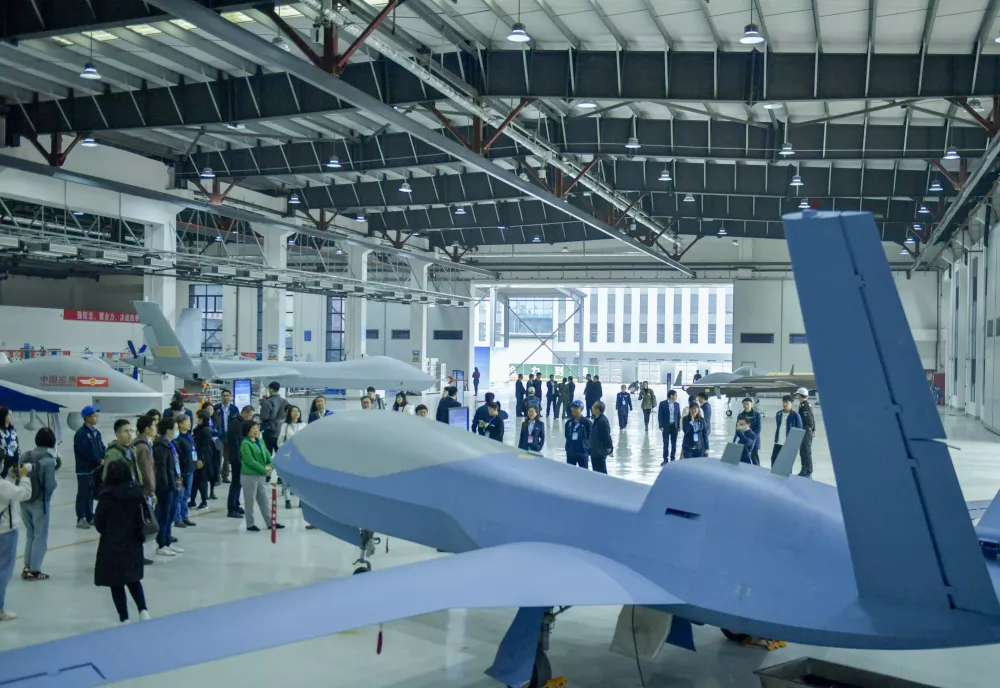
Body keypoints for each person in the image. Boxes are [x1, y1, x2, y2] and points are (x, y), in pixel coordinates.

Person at [94, 459, 150, 624]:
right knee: (134, 579)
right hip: (133, 541)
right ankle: (143, 610)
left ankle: (124, 617)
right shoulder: (137, 492)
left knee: (116, 582)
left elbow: (99, 522)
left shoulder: (106, 496)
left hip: (111, 543)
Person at [19, 427, 57, 581]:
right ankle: (35, 570)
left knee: (30, 534)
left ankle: (27, 566)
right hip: (40, 502)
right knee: (40, 536)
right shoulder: (48, 461)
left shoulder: (25, 456)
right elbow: (49, 485)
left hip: (24, 499)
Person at [0, 462, 31, 620]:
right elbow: (24, 494)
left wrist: (11, 478)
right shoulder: (3, 485)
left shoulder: (5, 484)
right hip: (5, 531)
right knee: (4, 570)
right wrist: (24, 477)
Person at [240, 421, 283, 532]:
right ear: (247, 430)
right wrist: (264, 470)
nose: (256, 431)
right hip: (249, 476)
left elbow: (268, 455)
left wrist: (271, 465)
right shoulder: (245, 443)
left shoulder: (260, 441)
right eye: (253, 428)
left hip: (261, 475)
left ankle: (270, 522)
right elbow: (249, 461)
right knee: (250, 501)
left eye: (257, 428)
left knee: (264, 500)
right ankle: (250, 524)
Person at [152, 418, 181, 557]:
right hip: (166, 487)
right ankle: (161, 544)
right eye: (175, 428)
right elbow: (161, 469)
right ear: (169, 430)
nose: (177, 431)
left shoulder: (170, 444)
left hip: (175, 484)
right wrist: (165, 486)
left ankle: (168, 541)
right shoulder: (160, 447)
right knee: (163, 516)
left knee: (170, 516)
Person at [74, 405, 105, 529]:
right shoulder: (81, 434)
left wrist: (104, 457)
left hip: (95, 469)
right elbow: (86, 451)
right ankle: (81, 518)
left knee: (91, 493)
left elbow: (101, 448)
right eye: (94, 415)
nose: (96, 418)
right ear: (87, 417)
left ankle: (89, 516)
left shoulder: (96, 433)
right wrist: (98, 460)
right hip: (84, 470)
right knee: (83, 493)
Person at [226, 406, 254, 519]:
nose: (251, 418)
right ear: (246, 413)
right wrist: (238, 459)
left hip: (241, 457)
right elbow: (234, 443)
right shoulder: (235, 423)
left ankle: (236, 505)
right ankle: (231, 508)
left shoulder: (240, 423)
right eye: (251, 415)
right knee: (236, 483)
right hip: (237, 458)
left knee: (239, 483)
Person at [277, 405, 305, 509]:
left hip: (300, 456)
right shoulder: (285, 425)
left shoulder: (303, 425)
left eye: (298, 411)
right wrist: (284, 450)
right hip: (288, 455)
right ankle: (287, 500)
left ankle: (301, 500)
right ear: (289, 413)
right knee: (287, 478)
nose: (296, 413)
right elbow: (280, 441)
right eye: (293, 411)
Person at [173, 414, 196, 529]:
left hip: (190, 469)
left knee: (186, 495)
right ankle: (178, 519)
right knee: (179, 495)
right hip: (182, 471)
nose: (189, 424)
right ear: (180, 424)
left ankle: (185, 516)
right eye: (187, 422)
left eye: (189, 422)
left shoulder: (189, 436)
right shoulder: (177, 440)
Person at [192, 411, 217, 509]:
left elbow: (204, 446)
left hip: (203, 457)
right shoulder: (198, 429)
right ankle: (193, 500)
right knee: (195, 480)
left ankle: (203, 501)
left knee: (202, 479)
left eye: (198, 418)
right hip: (197, 456)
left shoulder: (206, 430)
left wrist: (201, 459)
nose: (196, 420)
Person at [102, 419, 139, 484]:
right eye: (126, 431)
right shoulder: (113, 454)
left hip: (133, 490)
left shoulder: (132, 450)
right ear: (117, 434)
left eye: (131, 430)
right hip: (121, 492)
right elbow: (106, 478)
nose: (129, 434)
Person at [214, 390, 239, 484]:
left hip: (229, 436)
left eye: (227, 395)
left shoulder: (234, 409)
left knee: (227, 457)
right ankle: (217, 477)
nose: (226, 397)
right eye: (224, 395)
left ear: (230, 397)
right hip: (219, 436)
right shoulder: (216, 408)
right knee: (218, 457)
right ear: (221, 396)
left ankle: (225, 476)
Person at [772, 395, 804, 467]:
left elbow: (799, 430)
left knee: (787, 465)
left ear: (791, 403)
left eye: (787, 402)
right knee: (774, 460)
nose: (784, 404)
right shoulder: (779, 413)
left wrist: (794, 443)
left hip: (789, 444)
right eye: (783, 402)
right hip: (778, 442)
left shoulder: (795, 415)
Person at [259, 381, 287, 454]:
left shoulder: (267, 402)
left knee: (267, 456)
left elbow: (263, 417)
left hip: (269, 432)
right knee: (281, 456)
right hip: (281, 431)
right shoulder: (285, 402)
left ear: (270, 389)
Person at [564, 401, 592, 468]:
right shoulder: (568, 423)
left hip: (582, 452)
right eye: (573, 408)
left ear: (581, 409)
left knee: (584, 474)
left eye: (576, 408)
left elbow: (590, 437)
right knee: (570, 473)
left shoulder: (587, 423)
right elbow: (567, 435)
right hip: (571, 452)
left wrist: (587, 449)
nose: (574, 409)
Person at [735, 398, 762, 466]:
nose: (745, 406)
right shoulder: (740, 415)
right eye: (744, 404)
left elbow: (758, 429)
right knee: (743, 459)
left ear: (751, 404)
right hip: (743, 440)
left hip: (753, 441)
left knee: (754, 458)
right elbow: (737, 427)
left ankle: (757, 473)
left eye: (747, 404)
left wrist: (751, 438)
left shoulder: (757, 414)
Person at [795, 388, 815, 478]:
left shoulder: (804, 405)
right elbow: (812, 417)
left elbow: (809, 419)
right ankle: (804, 470)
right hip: (807, 430)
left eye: (797, 395)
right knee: (803, 451)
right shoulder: (806, 404)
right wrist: (814, 429)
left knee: (805, 451)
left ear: (800, 395)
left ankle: (807, 470)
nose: (797, 396)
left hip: (806, 431)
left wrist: (810, 428)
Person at [657, 390, 681, 465]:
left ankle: (673, 459)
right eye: (675, 395)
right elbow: (660, 415)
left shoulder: (677, 404)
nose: (676, 397)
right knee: (665, 443)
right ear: (671, 396)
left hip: (674, 426)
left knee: (674, 443)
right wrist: (660, 425)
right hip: (666, 426)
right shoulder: (662, 404)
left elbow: (678, 416)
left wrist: (679, 426)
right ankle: (665, 460)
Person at [590, 401, 614, 474]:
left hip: (599, 452)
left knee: (601, 473)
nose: (592, 408)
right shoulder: (597, 419)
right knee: (596, 473)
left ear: (597, 409)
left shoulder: (602, 421)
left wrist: (610, 448)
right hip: (595, 452)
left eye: (593, 406)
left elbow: (606, 436)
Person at [0, 407, 20, 479]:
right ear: (3, 415)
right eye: (9, 414)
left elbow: (16, 443)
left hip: (13, 458)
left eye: (11, 414)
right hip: (3, 458)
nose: (11, 416)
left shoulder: (13, 429)